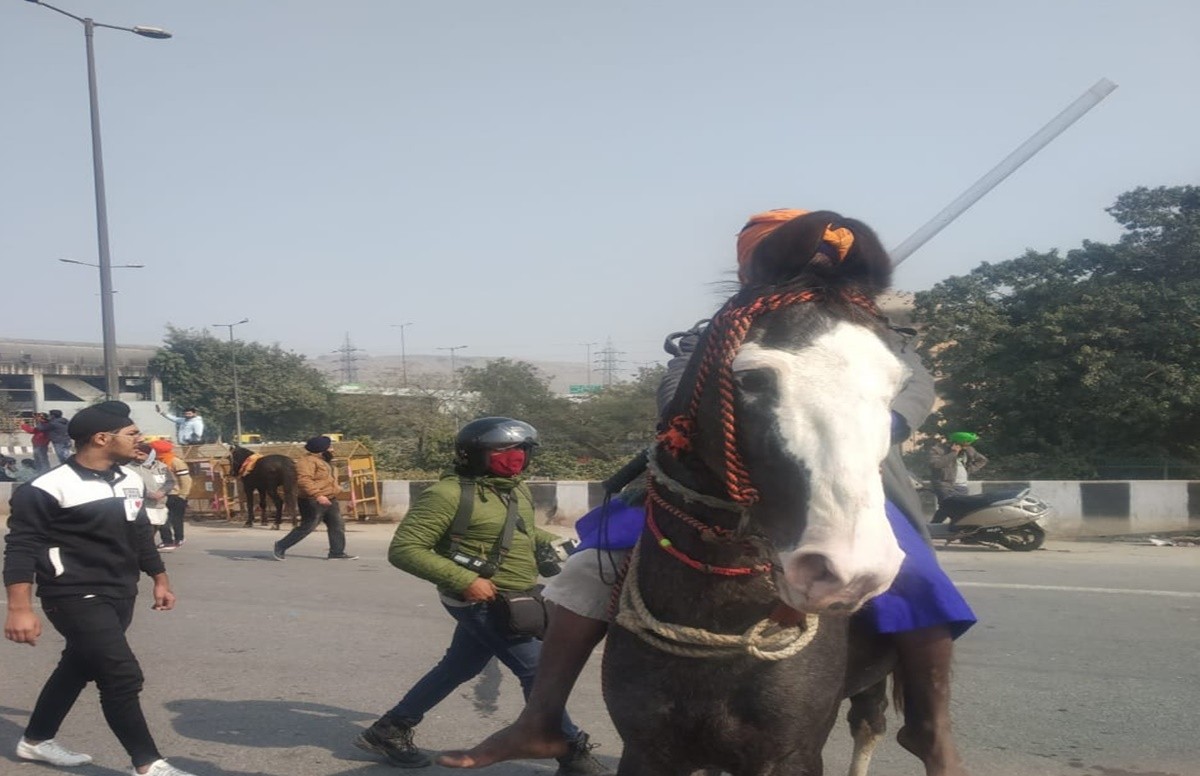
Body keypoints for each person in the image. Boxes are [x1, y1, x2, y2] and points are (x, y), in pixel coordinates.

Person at [439, 209, 975, 776]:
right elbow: (676, 393)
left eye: (824, 261)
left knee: (919, 578)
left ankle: (930, 729)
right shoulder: (721, 331)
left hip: (848, 472)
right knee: (588, 566)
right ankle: (541, 719)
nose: (813, 269)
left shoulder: (876, 331)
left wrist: (868, 426)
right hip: (715, 482)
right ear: (753, 269)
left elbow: (914, 386)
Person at [354, 417, 609, 776]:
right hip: (482, 601)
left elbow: (521, 531)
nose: (514, 457)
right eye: (502, 450)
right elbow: (405, 549)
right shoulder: (446, 494)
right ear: (473, 455)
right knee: (538, 671)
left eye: (521, 449)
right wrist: (464, 579)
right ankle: (571, 753)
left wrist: (555, 544)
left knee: (460, 666)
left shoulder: (514, 489)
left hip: (516, 593)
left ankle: (389, 729)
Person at [3, 400, 200, 776]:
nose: (139, 438)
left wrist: (159, 578)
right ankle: (148, 763)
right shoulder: (46, 488)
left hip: (120, 591)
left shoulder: (128, 479)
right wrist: (19, 608)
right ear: (101, 438)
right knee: (121, 675)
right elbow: (21, 548)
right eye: (131, 433)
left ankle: (35, 741)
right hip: (72, 594)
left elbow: (140, 533)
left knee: (77, 666)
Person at [271, 436, 357, 561]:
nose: (332, 450)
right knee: (308, 526)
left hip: (329, 498)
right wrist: (318, 495)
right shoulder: (306, 462)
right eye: (330, 447)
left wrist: (344, 494)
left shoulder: (323, 461)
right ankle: (281, 545)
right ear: (321, 449)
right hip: (312, 500)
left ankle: (337, 552)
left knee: (337, 525)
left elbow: (328, 481)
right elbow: (304, 480)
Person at [929, 432, 989, 524]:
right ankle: (942, 526)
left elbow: (982, 460)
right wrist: (953, 453)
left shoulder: (969, 450)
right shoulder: (938, 449)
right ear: (956, 443)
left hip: (962, 486)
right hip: (945, 484)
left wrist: (969, 469)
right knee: (948, 506)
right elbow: (936, 464)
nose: (967, 447)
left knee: (958, 508)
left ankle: (935, 526)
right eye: (965, 445)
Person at [131, 443, 176, 551]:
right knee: (145, 532)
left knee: (156, 527)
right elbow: (130, 485)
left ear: (150, 455)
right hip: (142, 506)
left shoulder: (162, 467)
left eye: (141, 454)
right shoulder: (130, 468)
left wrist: (162, 492)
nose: (138, 457)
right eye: (136, 454)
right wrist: (147, 494)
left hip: (159, 505)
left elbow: (170, 481)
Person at [150, 440, 192, 550]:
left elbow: (186, 480)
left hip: (176, 494)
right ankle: (167, 541)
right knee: (162, 519)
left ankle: (178, 539)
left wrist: (183, 495)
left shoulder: (175, 462)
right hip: (162, 494)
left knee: (176, 519)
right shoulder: (155, 462)